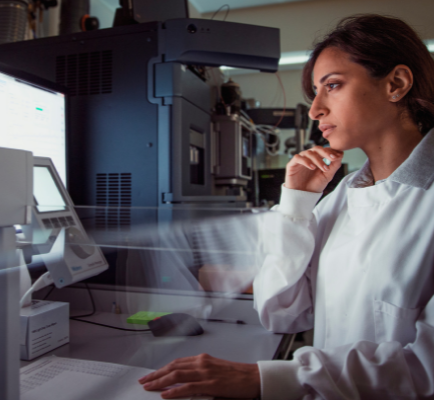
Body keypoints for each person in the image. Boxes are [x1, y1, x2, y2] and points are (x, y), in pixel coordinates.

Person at [138, 14, 434, 399]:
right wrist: (295, 204)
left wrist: (268, 379)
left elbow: (426, 369)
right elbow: (281, 311)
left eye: (333, 85)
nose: (315, 111)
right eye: (315, 93)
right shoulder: (345, 196)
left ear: (396, 84)